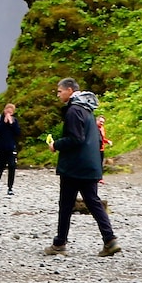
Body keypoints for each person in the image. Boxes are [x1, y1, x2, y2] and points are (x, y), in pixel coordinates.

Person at [42, 79, 121, 257]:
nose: (58, 94)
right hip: (90, 165)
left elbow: (75, 138)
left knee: (66, 204)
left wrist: (56, 145)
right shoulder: (88, 110)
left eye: (59, 91)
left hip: (74, 166)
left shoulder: (74, 110)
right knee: (93, 202)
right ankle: (110, 240)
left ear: (70, 90)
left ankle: (60, 244)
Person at [0, 103, 20, 194]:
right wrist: (4, 123)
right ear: (4, 110)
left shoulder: (15, 120)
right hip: (0, 147)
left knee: (12, 166)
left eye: (11, 112)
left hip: (11, 147)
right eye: (7, 111)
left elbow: (18, 133)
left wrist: (12, 124)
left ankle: (10, 187)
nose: (8, 113)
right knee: (0, 167)